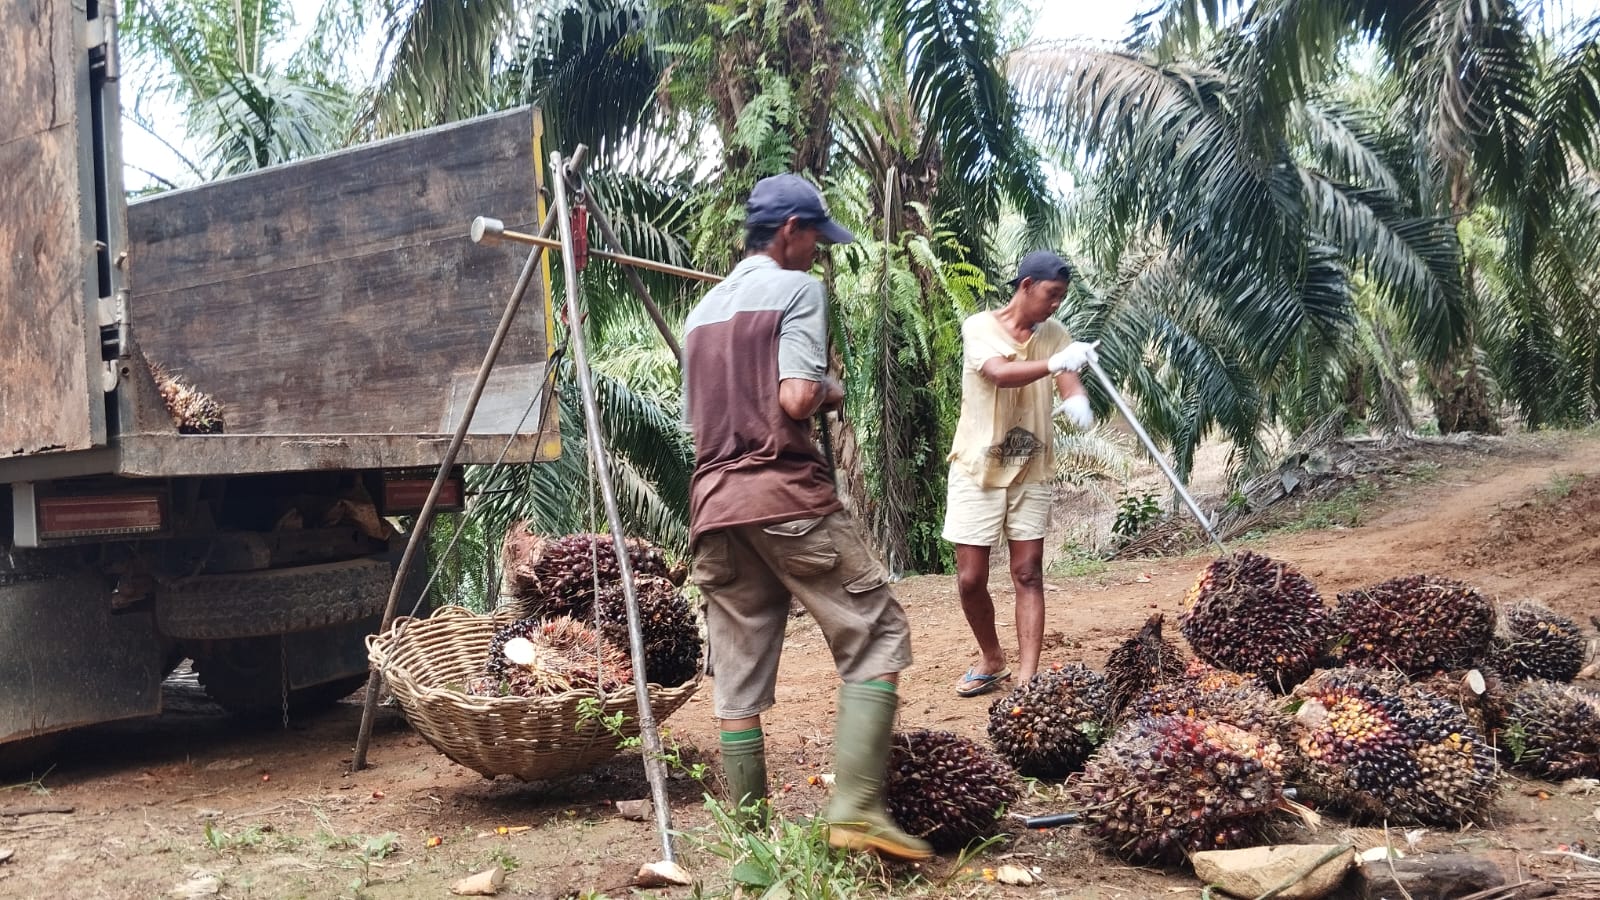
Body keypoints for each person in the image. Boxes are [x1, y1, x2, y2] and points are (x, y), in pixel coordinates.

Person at [681, 174, 932, 861]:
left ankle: (751, 842)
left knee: (737, 671)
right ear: (790, 229)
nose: (819, 253)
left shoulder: (701, 314)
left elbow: (700, 421)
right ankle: (854, 810)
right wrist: (831, 388)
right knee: (876, 632)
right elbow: (793, 397)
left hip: (714, 509)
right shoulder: (798, 290)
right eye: (816, 238)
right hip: (785, 497)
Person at [944, 250, 1098, 698]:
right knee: (971, 578)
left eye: (1062, 298)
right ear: (1026, 285)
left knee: (1027, 572)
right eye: (1052, 295)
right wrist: (1054, 363)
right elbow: (999, 373)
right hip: (977, 466)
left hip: (1030, 467)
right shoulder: (979, 327)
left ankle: (1028, 679)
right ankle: (992, 659)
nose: (1056, 305)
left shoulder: (1055, 334)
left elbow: (1068, 381)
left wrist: (1076, 399)